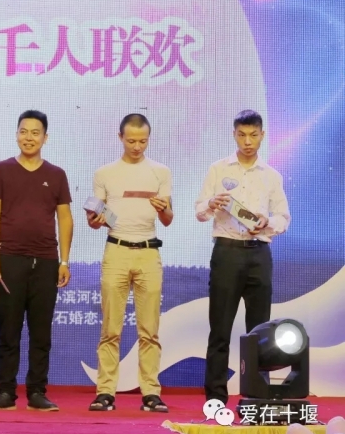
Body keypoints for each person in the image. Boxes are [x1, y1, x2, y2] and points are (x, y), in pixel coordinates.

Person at [195, 109, 290, 406]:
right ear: (234, 135)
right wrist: (211, 203)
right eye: (242, 135)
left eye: (253, 135)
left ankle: (257, 396)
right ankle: (215, 398)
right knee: (220, 328)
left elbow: (283, 217)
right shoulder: (218, 169)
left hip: (259, 253)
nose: (247, 141)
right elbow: (199, 211)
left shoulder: (271, 176)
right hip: (227, 252)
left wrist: (268, 222)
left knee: (260, 331)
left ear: (262, 135)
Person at [0, 110, 73, 412]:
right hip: (9, 260)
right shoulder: (1, 170)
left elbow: (65, 219)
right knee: (9, 330)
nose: (29, 137)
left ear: (45, 138)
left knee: (41, 331)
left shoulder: (56, 175)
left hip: (46, 261)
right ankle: (5, 392)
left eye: (35, 132)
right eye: (23, 131)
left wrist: (64, 261)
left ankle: (37, 392)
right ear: (16, 134)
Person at [86, 114, 173, 413]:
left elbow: (168, 219)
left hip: (148, 251)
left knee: (149, 330)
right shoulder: (105, 173)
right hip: (117, 250)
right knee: (111, 328)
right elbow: (95, 219)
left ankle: (151, 392)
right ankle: (105, 391)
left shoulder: (160, 171)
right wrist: (95, 219)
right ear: (120, 137)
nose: (137, 146)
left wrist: (163, 210)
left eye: (143, 141)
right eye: (132, 140)